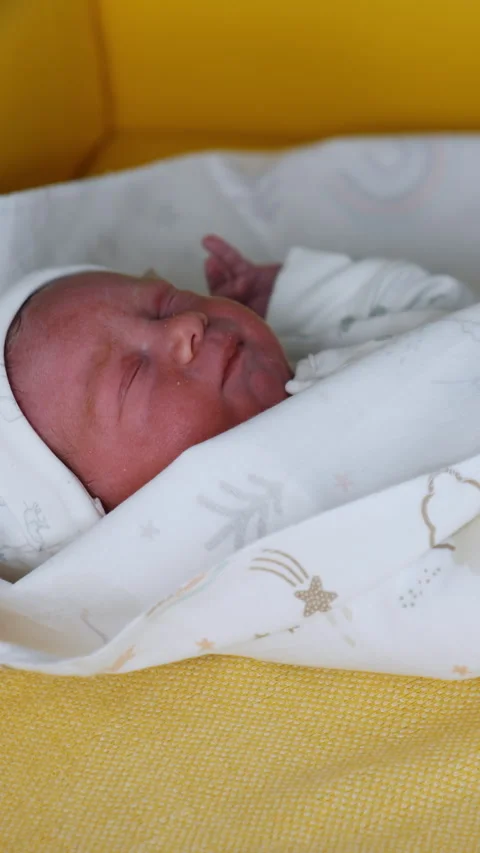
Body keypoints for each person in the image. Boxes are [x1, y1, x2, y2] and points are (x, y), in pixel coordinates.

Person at [0, 235, 474, 577]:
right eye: (132, 377)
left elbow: (444, 305)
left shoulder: (329, 340)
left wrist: (295, 293)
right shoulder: (246, 554)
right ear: (113, 519)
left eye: (168, 302)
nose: (185, 325)